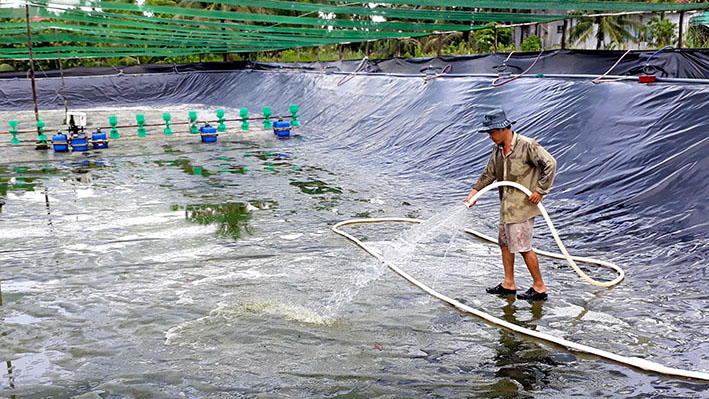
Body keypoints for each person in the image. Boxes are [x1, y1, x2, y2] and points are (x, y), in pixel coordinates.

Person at [465, 109, 557, 301]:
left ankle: (539, 287)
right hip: (506, 206)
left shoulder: (527, 146)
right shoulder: (498, 149)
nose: (489, 136)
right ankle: (509, 284)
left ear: (502, 128)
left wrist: (540, 191)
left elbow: (550, 163)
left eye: (491, 132)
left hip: (522, 207)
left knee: (523, 247)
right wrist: (473, 194)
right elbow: (489, 173)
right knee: (505, 245)